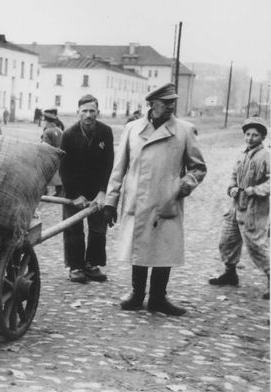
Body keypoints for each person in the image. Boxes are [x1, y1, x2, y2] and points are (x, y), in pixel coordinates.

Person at [104, 83, 207, 316]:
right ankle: (137, 294)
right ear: (151, 104)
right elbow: (118, 169)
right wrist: (111, 202)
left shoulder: (185, 130)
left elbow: (199, 168)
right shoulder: (132, 129)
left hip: (166, 200)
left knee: (164, 249)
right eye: (165, 102)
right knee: (139, 246)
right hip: (137, 199)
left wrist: (183, 185)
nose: (171, 106)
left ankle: (158, 298)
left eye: (173, 102)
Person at [208, 117, 269, 300]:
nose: (250, 138)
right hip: (236, 206)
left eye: (255, 135)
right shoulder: (242, 154)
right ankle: (230, 273)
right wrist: (232, 188)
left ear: (262, 137)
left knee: (256, 245)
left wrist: (255, 190)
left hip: (255, 208)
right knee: (227, 240)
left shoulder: (266, 155)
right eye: (247, 134)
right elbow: (234, 175)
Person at [59, 95, 114, 283]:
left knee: (98, 228)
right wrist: (75, 195)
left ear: (98, 112)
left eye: (92, 111)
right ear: (78, 113)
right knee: (73, 228)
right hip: (73, 189)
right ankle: (75, 266)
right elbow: (64, 168)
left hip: (97, 190)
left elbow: (109, 163)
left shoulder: (105, 132)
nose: (88, 115)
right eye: (85, 111)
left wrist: (103, 191)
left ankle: (92, 264)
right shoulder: (68, 134)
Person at [41, 108, 63, 196]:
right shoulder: (59, 130)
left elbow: (45, 147)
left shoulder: (47, 131)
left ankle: (45, 192)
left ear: (46, 121)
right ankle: (59, 191)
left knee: (44, 174)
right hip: (59, 156)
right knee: (58, 175)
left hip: (50, 157)